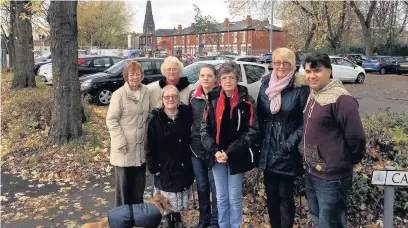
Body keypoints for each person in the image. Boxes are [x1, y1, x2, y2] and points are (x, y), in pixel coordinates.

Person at [301, 53, 366, 228]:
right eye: (308, 71)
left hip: (331, 178)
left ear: (329, 71)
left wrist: (343, 162)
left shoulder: (342, 99)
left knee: (331, 223)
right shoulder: (314, 94)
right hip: (312, 171)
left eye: (317, 70)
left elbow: (357, 138)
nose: (311, 75)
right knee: (317, 218)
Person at [201, 61, 259, 228]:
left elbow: (252, 131)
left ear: (237, 79)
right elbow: (204, 129)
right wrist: (214, 151)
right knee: (221, 197)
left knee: (234, 197)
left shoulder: (247, 101)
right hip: (217, 156)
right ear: (219, 80)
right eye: (224, 78)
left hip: (236, 155)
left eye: (231, 78)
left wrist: (230, 152)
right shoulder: (211, 98)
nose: (227, 81)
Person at [256, 48, 310, 228]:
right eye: (277, 62)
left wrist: (289, 143)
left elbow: (306, 122)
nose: (280, 66)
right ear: (272, 64)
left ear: (292, 65)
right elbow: (260, 116)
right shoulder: (265, 84)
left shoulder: (300, 88)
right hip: (268, 150)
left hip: (287, 152)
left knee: (285, 197)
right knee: (271, 197)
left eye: (285, 63)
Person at [145, 85, 194, 228]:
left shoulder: (185, 115)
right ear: (162, 99)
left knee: (179, 193)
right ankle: (167, 219)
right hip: (163, 165)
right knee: (166, 195)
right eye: (167, 97)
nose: (170, 99)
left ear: (179, 99)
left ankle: (177, 217)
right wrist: (152, 167)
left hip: (183, 163)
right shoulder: (155, 119)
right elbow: (148, 145)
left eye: (174, 96)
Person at [106, 61, 150, 207]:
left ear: (142, 76)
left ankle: (137, 219)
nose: (135, 77)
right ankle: (122, 221)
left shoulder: (146, 92)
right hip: (124, 149)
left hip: (140, 149)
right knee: (123, 192)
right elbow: (111, 120)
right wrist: (120, 142)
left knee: (138, 190)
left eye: (138, 74)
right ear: (126, 76)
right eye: (132, 74)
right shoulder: (119, 95)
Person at [189, 64, 219, 228]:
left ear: (215, 77)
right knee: (201, 187)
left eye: (209, 75)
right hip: (196, 150)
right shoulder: (194, 98)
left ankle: (215, 222)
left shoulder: (221, 96)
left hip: (214, 151)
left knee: (215, 188)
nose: (206, 78)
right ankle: (204, 220)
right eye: (202, 75)